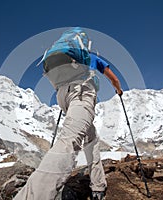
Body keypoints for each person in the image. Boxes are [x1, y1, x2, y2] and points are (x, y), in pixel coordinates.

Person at [14, 29, 123, 200]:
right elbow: (114, 79)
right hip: (81, 93)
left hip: (63, 96)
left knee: (91, 139)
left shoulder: (65, 59)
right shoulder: (90, 58)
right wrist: (119, 90)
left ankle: (98, 185)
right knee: (69, 141)